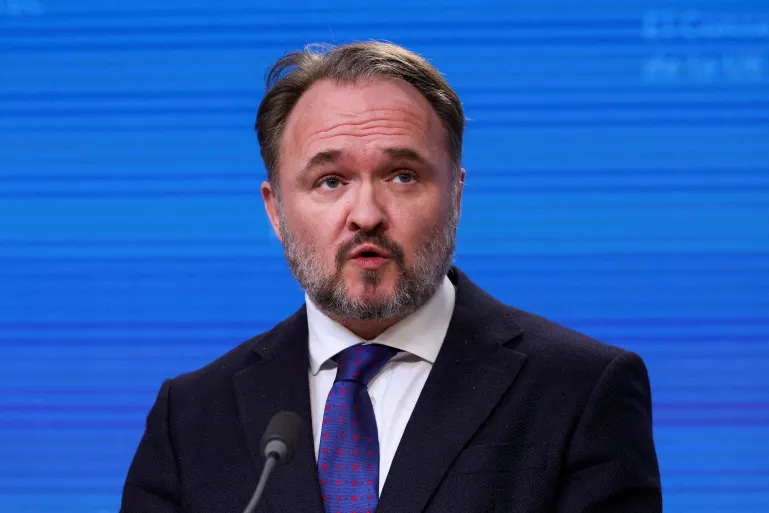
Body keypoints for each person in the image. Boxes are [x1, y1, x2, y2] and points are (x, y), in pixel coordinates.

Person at [120, 41, 662, 513]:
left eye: (403, 176)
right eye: (330, 180)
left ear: (455, 193)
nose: (367, 213)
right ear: (275, 210)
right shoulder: (189, 418)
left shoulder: (581, 390)